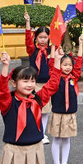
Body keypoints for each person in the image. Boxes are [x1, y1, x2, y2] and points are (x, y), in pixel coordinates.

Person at [49, 35, 83, 164]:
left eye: (70, 65)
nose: (68, 67)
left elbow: (80, 62)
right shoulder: (55, 76)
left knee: (67, 138)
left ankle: (65, 163)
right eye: (65, 65)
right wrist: (53, 47)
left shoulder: (74, 77)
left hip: (70, 113)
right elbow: (52, 64)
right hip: (58, 113)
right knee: (57, 139)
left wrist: (81, 43)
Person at [24, 12, 52, 144]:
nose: (42, 39)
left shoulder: (51, 51)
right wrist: (28, 22)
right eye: (40, 37)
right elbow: (27, 40)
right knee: (34, 108)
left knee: (45, 110)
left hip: (46, 84)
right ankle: (33, 131)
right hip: (34, 84)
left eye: (45, 37)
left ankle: (42, 133)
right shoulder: (32, 50)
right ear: (36, 38)